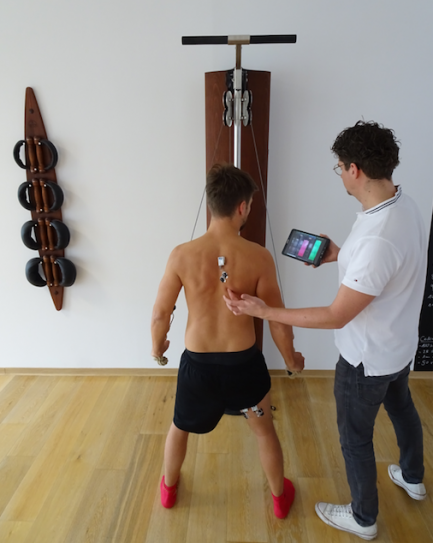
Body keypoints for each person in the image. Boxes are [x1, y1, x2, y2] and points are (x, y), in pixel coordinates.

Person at [224, 121, 427, 540]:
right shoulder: (402, 205)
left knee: (354, 438)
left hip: (365, 359)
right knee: (403, 409)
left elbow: (337, 315)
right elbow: (385, 268)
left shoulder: (377, 241)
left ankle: (364, 519)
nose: (340, 175)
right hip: (398, 346)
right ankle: (413, 477)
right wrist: (340, 255)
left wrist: (267, 311)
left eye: (339, 168)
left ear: (354, 169)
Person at [151, 163, 304, 518]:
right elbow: (277, 320)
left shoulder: (181, 255)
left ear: (211, 204)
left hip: (198, 369)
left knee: (180, 427)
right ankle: (279, 498)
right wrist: (292, 361)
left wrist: (158, 350)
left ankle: (169, 490)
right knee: (263, 431)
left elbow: (160, 313)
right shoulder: (259, 257)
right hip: (244, 369)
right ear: (242, 207)